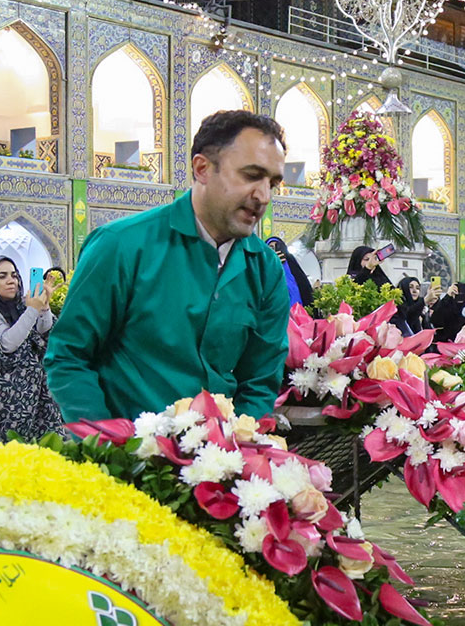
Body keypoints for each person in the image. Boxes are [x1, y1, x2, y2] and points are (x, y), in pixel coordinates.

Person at [47, 110, 290, 422]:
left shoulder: (265, 268)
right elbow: (68, 357)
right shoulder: (121, 246)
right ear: (202, 169)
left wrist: (235, 443)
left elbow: (260, 382)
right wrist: (105, 439)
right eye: (251, 175)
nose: (264, 196)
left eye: (273, 183)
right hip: (127, 448)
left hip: (222, 450)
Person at [0, 256, 62, 440]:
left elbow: (44, 334)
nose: (11, 281)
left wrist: (44, 307)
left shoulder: (21, 306)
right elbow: (5, 347)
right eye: (2, 276)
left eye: (14, 275)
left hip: (37, 402)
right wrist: (32, 311)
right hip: (2, 405)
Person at [264, 235, 314, 310]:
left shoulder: (292, 265)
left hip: (297, 312)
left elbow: (305, 289)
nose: (275, 250)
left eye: (278, 246)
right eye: (271, 248)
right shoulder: (262, 268)